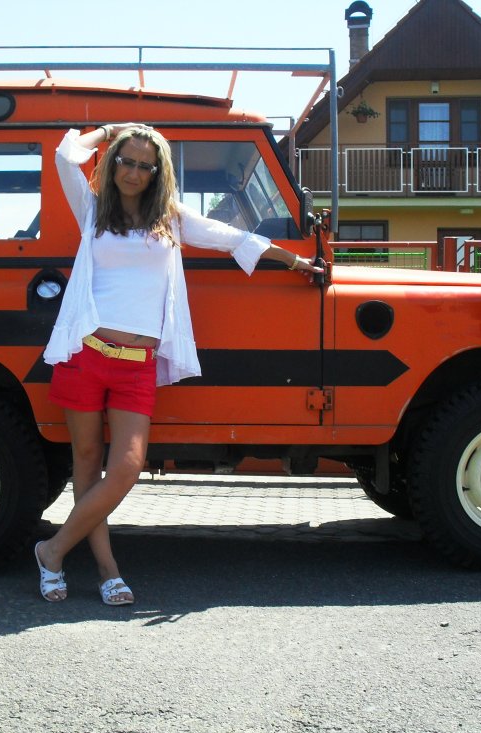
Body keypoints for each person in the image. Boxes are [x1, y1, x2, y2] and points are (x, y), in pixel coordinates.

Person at [35, 123, 324, 605]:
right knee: (85, 463)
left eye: (145, 165)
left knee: (126, 467)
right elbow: (66, 156)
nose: (133, 172)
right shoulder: (92, 208)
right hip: (86, 354)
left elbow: (230, 237)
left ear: (157, 172)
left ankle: (52, 550)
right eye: (126, 161)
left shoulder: (169, 218)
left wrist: (292, 261)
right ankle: (107, 570)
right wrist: (108, 130)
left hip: (136, 364)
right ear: (113, 161)